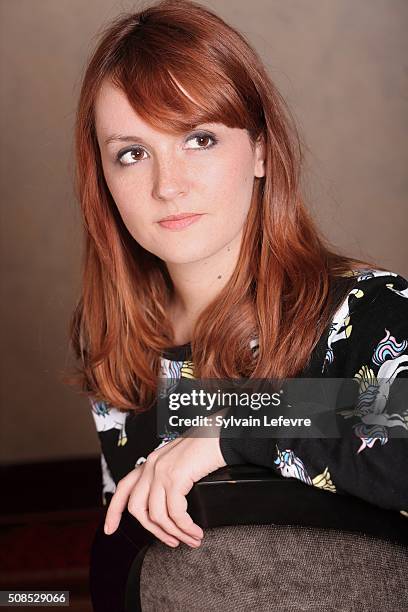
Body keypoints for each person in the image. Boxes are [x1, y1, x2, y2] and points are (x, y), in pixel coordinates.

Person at [66, 0, 408, 609]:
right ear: (105, 180)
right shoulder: (116, 343)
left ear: (259, 151)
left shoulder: (370, 309)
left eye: (199, 138)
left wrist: (235, 424)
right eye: (132, 152)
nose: (167, 185)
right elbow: (130, 548)